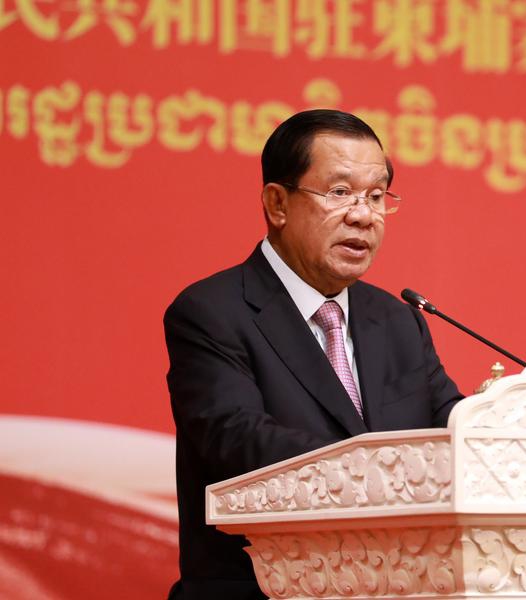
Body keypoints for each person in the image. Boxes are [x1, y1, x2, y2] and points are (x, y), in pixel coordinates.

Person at [163, 109, 463, 600]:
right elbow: (239, 442)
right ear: (277, 203)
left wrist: (503, 426)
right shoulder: (212, 312)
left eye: (376, 196)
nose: (363, 216)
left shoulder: (397, 321)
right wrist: (384, 470)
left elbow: (450, 422)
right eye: (340, 192)